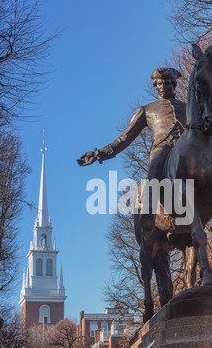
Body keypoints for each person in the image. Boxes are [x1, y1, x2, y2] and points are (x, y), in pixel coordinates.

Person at [77, 67, 187, 228]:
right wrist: (98, 154)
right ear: (155, 86)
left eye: (168, 83)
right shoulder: (146, 110)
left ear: (174, 85)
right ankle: (148, 212)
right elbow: (124, 138)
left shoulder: (187, 107)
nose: (164, 86)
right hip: (163, 146)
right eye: (160, 83)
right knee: (155, 165)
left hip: (186, 146)